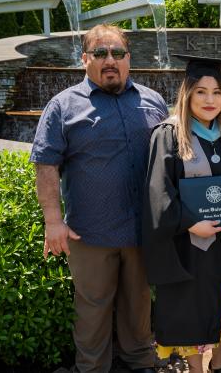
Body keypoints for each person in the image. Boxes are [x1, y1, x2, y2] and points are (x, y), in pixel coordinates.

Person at [30, 24, 167, 373]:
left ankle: (140, 362)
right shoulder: (63, 106)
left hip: (142, 230)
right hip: (90, 232)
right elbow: (46, 165)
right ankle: (91, 367)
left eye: (117, 53)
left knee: (139, 306)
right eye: (100, 53)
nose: (110, 60)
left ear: (129, 59)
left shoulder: (153, 101)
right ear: (85, 59)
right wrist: (52, 220)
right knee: (92, 309)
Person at [142, 55, 221, 373]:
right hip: (189, 245)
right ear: (186, 94)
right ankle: (196, 368)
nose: (210, 100)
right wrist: (192, 223)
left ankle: (219, 365)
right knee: (193, 309)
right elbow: (158, 192)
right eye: (201, 92)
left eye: (217, 92)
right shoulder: (169, 134)